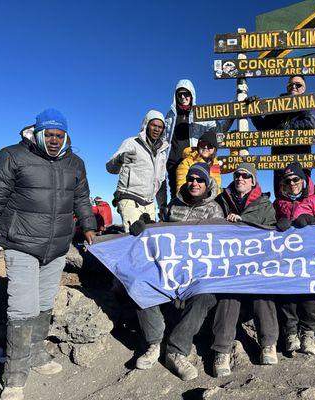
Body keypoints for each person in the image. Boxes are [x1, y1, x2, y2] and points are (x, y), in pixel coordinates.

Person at [0, 109, 96, 400]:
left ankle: (36, 354)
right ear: (37, 133)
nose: (54, 140)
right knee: (23, 307)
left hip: (57, 248)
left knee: (44, 304)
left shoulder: (75, 163)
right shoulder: (12, 156)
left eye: (59, 135)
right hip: (22, 244)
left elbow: (82, 199)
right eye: (49, 134)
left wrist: (89, 227)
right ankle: (14, 377)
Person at [131, 163, 223, 381]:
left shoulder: (214, 209)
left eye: (200, 180)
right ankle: (154, 342)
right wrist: (145, 225)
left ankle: (176, 351)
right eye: (191, 179)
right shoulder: (173, 205)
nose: (194, 183)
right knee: (140, 284)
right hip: (169, 268)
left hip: (197, 272)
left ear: (207, 183)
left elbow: (221, 243)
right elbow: (160, 229)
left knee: (206, 296)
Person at [211, 162, 277, 377]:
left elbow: (272, 230)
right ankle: (221, 350)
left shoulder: (265, 204)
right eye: (238, 175)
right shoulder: (222, 199)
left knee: (263, 293)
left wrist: (244, 221)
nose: (240, 179)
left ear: (253, 181)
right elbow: (211, 223)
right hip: (229, 264)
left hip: (257, 263)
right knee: (229, 295)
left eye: (246, 176)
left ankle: (268, 344)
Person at [274, 162, 315, 356]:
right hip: (287, 258)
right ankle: (290, 332)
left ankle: (308, 332)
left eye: (296, 179)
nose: (292, 183)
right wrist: (276, 224)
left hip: (312, 258)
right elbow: (267, 225)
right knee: (287, 295)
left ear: (303, 181)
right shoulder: (278, 203)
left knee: (311, 295)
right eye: (288, 180)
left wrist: (312, 221)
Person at [249, 75, 315, 196]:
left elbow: (309, 123)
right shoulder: (278, 104)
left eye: (298, 85)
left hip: (300, 160)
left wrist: (283, 128)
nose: (294, 87)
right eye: (290, 85)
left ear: (304, 88)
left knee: (302, 198)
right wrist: (253, 109)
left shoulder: (309, 101)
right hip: (279, 160)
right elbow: (263, 126)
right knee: (281, 197)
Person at [164, 79, 233, 200]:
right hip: (173, 161)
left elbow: (219, 130)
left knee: (197, 192)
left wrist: (234, 111)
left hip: (194, 159)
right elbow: (164, 137)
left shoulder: (201, 113)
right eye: (180, 94)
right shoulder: (170, 115)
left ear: (192, 95)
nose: (183, 97)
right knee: (176, 194)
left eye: (186, 94)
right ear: (175, 96)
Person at [106, 110, 169, 232]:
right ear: (146, 125)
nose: (157, 129)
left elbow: (161, 182)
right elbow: (110, 168)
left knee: (149, 239)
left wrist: (162, 206)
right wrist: (119, 159)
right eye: (153, 125)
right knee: (133, 238)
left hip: (150, 204)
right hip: (130, 199)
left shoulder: (162, 153)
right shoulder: (131, 143)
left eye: (160, 127)